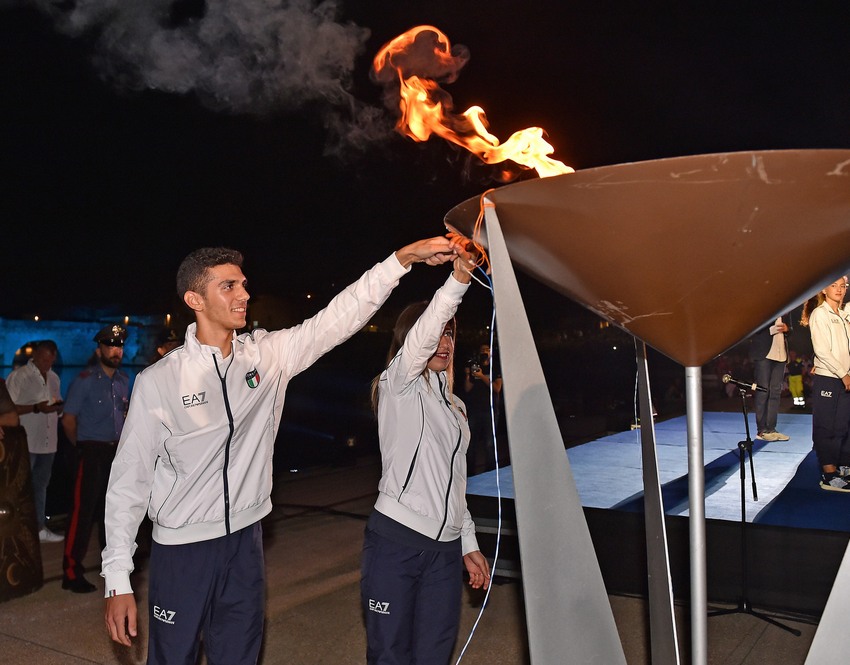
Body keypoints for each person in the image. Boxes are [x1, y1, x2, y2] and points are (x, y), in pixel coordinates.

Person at [101, 235, 468, 663]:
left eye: (243, 284)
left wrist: (402, 260)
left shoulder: (267, 357)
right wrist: (117, 580)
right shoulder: (158, 381)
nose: (244, 294)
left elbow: (339, 317)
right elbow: (129, 482)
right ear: (194, 299)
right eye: (229, 286)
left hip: (245, 545)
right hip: (181, 552)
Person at [361, 243, 490, 665]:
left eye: (451, 333)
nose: (444, 341)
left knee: (435, 655)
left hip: (444, 553)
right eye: (437, 332)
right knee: (390, 655)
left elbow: (453, 483)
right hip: (395, 543)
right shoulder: (396, 385)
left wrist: (466, 541)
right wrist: (458, 280)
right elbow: (421, 339)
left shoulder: (456, 408)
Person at [61, 324, 130, 593]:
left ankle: (110, 566)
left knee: (112, 513)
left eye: (120, 346)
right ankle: (70, 571)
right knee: (82, 512)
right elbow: (68, 420)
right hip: (91, 451)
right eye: (111, 345)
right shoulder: (85, 380)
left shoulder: (124, 380)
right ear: (98, 349)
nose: (116, 350)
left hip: (115, 452)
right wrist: (80, 446)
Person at [6, 340, 65, 543]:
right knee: (20, 486)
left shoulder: (55, 378)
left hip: (48, 443)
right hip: (26, 442)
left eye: (51, 360)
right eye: (44, 359)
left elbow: (56, 407)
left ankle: (38, 527)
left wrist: (58, 408)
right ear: (36, 356)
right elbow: (7, 409)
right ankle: (16, 528)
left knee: (41, 485)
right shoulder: (19, 376)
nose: (47, 363)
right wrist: (35, 408)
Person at [800, 276, 850, 491]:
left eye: (843, 286)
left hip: (845, 377)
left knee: (843, 426)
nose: (839, 290)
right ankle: (829, 474)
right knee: (825, 427)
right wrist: (843, 374)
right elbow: (822, 351)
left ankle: (843, 466)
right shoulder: (820, 314)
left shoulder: (844, 314)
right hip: (830, 378)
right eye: (834, 285)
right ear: (823, 289)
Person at [748, 313, 791, 441]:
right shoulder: (765, 305)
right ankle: (761, 430)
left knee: (776, 392)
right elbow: (753, 328)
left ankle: (771, 429)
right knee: (763, 391)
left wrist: (787, 329)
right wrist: (771, 329)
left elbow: (791, 329)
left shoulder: (787, 308)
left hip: (781, 353)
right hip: (764, 354)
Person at [463, 342, 503, 474]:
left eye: (487, 350)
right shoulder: (475, 366)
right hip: (474, 410)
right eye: (482, 350)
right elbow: (467, 389)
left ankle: (491, 473)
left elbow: (497, 388)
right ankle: (470, 473)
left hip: (490, 411)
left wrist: (481, 377)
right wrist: (469, 374)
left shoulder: (495, 368)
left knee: (489, 444)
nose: (485, 352)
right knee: (471, 443)